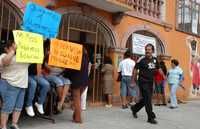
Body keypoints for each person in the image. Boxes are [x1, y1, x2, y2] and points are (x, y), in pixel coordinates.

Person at [130, 44, 162, 124]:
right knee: (148, 98)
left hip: (151, 82)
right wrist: (133, 81)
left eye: (149, 49)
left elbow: (158, 69)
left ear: (153, 51)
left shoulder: (155, 59)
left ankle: (134, 108)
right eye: (146, 49)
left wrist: (164, 77)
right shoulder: (141, 59)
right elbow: (135, 70)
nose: (147, 51)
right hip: (143, 81)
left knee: (146, 99)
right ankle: (150, 117)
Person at [0, 41, 29, 129]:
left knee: (18, 106)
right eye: (13, 46)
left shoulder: (24, 56)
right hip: (9, 83)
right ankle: (3, 126)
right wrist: (13, 51)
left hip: (22, 85)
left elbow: (37, 58)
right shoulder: (4, 56)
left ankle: (14, 124)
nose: (16, 47)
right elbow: (5, 62)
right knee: (7, 107)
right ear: (7, 48)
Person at [65, 47, 89, 123]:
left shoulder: (75, 59)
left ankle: (78, 119)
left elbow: (70, 71)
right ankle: (75, 116)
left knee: (77, 101)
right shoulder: (86, 59)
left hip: (77, 82)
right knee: (78, 100)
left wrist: (65, 73)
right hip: (85, 82)